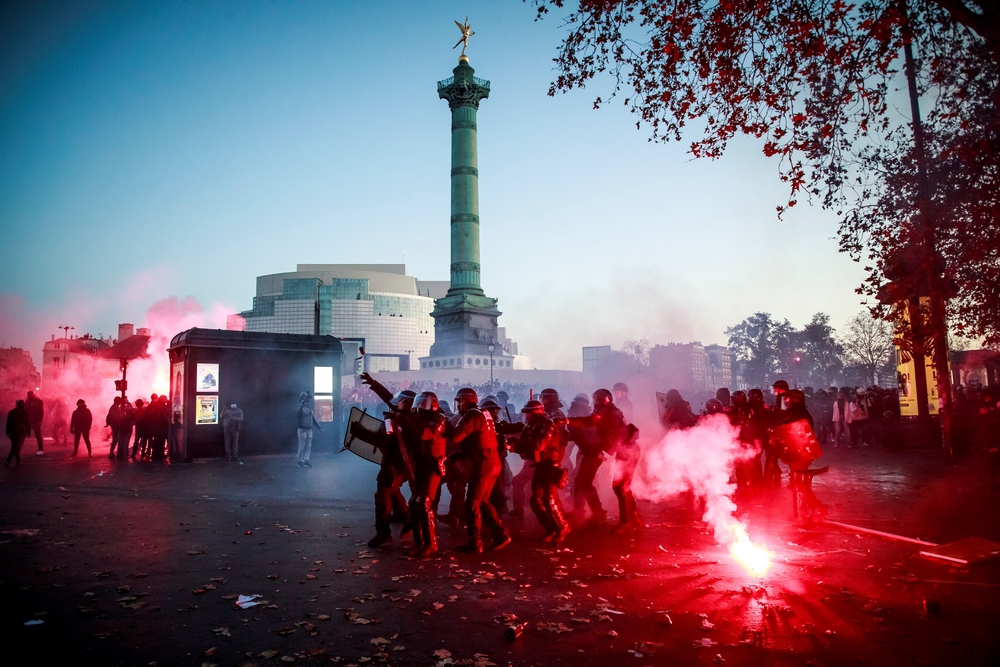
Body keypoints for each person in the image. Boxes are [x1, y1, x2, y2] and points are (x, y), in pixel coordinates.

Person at [352, 373, 415, 548]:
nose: (396, 402)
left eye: (400, 401)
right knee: (392, 491)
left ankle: (383, 533)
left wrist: (361, 432)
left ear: (406, 404)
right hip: (397, 462)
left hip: (395, 463)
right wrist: (373, 383)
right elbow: (389, 397)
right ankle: (408, 517)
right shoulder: (403, 415)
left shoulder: (403, 421)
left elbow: (386, 442)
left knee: (382, 495)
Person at [449, 387, 511, 553]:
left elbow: (456, 436)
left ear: (468, 400)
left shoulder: (472, 415)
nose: (458, 404)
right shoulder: (483, 413)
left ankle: (475, 543)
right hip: (492, 460)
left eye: (460, 401)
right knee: (482, 501)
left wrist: (444, 427)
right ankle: (500, 534)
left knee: (472, 502)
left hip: (484, 462)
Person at [566, 388, 628, 527]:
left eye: (596, 398)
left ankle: (597, 513)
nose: (594, 401)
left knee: (584, 482)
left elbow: (588, 423)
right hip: (597, 449)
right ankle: (586, 511)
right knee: (582, 481)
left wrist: (567, 421)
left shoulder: (604, 412)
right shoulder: (612, 410)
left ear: (602, 399)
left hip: (597, 450)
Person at [514, 399, 571, 543]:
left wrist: (518, 445)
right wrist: (516, 446)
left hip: (551, 464)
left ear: (536, 413)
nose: (527, 416)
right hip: (540, 465)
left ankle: (562, 527)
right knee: (535, 500)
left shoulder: (547, 423)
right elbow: (525, 446)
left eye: (529, 413)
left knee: (548, 498)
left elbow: (539, 444)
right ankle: (551, 528)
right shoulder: (530, 425)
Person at [769, 389, 827, 523]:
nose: (786, 402)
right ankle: (817, 509)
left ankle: (801, 515)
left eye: (788, 399)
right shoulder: (796, 413)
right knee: (801, 484)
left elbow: (794, 432)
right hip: (797, 453)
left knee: (798, 484)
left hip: (801, 453)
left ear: (794, 400)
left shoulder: (799, 415)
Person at [405, 391, 448, 558]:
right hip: (420, 464)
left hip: (433, 465)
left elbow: (426, 433)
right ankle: (419, 542)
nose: (420, 407)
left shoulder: (439, 419)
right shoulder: (418, 420)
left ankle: (431, 544)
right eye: (419, 403)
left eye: (424, 403)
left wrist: (406, 422)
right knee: (414, 503)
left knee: (424, 502)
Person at [611, 423, 642, 533]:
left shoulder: (633, 448)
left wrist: (627, 481)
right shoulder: (623, 441)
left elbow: (631, 467)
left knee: (622, 491)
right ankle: (635, 515)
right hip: (620, 470)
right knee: (622, 491)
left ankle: (625, 522)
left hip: (626, 471)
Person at [296, 392, 322, 468]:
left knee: (308, 446)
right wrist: (302, 402)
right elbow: (298, 411)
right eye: (306, 398)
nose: (308, 399)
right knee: (302, 445)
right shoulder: (300, 406)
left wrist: (319, 427)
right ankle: (300, 461)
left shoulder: (309, 408)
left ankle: (306, 460)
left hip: (309, 429)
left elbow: (313, 419)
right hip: (302, 429)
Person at [5, 399, 31, 467]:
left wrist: (28, 431)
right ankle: (11, 460)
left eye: (23, 404)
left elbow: (27, 423)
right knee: (15, 446)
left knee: (15, 447)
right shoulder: (12, 413)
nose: (22, 405)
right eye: (20, 404)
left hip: (22, 432)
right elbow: (9, 423)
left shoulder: (25, 412)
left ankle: (13, 460)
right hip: (14, 432)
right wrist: (8, 432)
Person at [26, 391, 44, 455]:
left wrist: (40, 421)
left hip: (35, 421)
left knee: (38, 435)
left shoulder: (38, 401)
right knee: (23, 434)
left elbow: (41, 412)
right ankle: (16, 449)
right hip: (29, 420)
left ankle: (41, 449)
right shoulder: (28, 401)